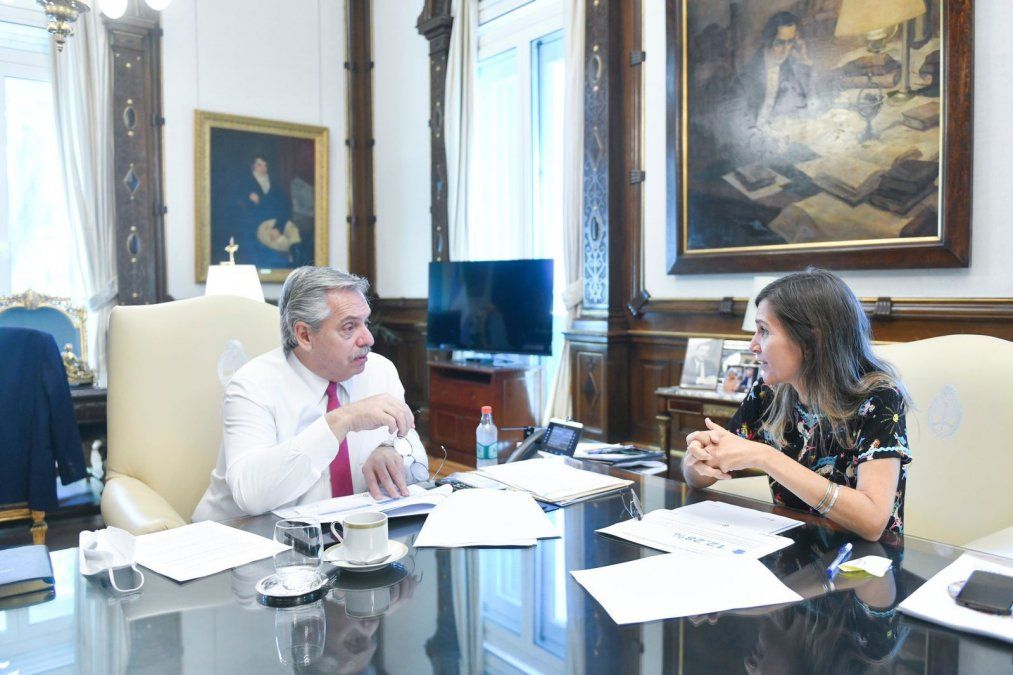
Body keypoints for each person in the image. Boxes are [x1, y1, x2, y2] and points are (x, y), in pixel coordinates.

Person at [683, 268, 911, 541]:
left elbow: (872, 521)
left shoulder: (880, 397)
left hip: (862, 565)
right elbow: (698, 478)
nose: (753, 345)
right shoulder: (768, 392)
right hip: (791, 549)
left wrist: (765, 457)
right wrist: (696, 459)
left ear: (811, 340)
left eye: (764, 331)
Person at [193, 266, 429, 522]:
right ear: (304, 335)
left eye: (366, 323)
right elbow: (251, 496)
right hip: (242, 540)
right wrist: (339, 421)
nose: (369, 339)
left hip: (345, 537)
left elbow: (414, 450)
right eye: (349, 327)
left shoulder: (379, 370)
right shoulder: (251, 385)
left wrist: (391, 450)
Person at [242, 154, 305, 265]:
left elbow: (285, 206)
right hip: (260, 225)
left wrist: (278, 227)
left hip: (278, 222)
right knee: (278, 242)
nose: (263, 168)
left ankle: (296, 261)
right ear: (253, 167)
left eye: (265, 165)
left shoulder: (275, 185)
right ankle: (289, 258)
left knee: (293, 232)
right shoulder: (246, 184)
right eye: (259, 165)